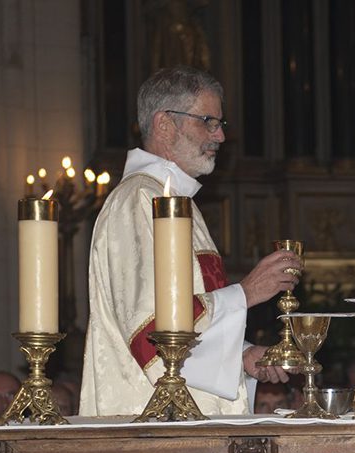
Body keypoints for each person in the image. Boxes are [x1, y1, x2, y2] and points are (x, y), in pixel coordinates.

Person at [81, 66, 297, 416]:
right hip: (150, 417)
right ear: (165, 124)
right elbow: (151, 329)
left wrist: (240, 354)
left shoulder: (177, 202)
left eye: (220, 124)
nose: (220, 137)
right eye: (208, 121)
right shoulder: (138, 201)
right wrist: (247, 292)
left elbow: (183, 306)